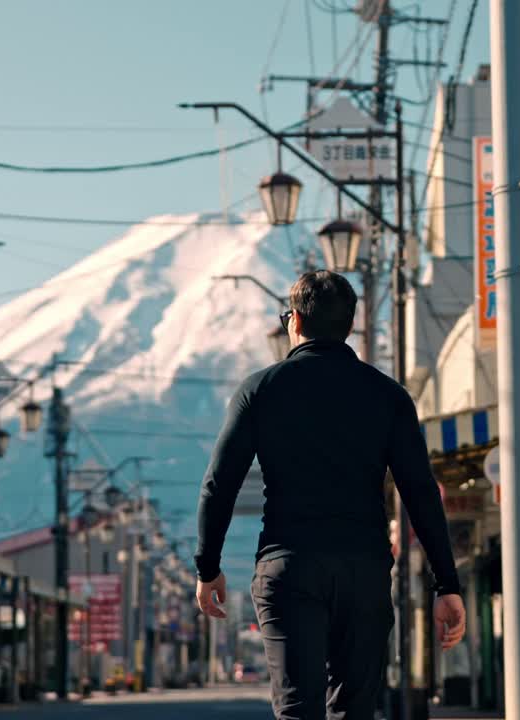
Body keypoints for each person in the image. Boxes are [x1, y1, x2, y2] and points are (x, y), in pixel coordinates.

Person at [194, 270, 467, 720]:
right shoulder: (388, 396)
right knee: (354, 711)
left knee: (299, 709)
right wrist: (446, 585)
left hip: (289, 566)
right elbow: (420, 492)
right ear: (351, 326)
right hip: (365, 568)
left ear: (295, 322)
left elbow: (219, 484)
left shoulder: (260, 390)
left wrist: (208, 567)